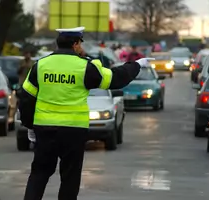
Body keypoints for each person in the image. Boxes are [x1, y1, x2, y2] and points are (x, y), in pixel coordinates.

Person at [19, 26, 154, 200]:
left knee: (39, 174)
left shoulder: (41, 65)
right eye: (80, 43)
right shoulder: (85, 67)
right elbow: (115, 79)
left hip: (45, 129)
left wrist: (30, 125)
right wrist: (136, 65)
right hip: (73, 130)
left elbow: (27, 97)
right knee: (70, 177)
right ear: (75, 44)